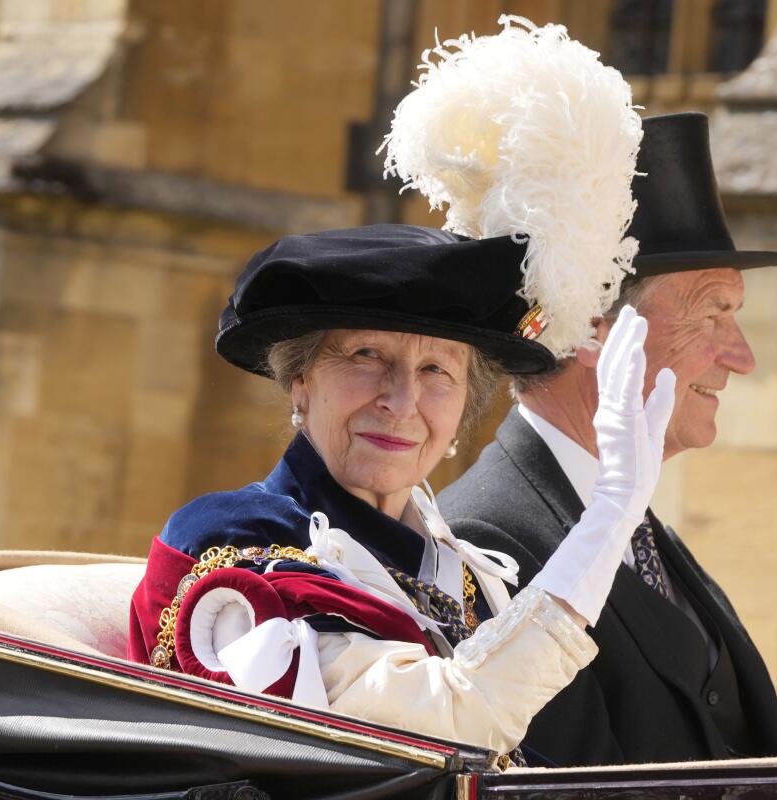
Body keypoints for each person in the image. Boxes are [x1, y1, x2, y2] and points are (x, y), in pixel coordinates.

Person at [129, 18, 665, 763]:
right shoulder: (235, 546)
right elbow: (446, 724)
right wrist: (604, 523)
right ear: (300, 377)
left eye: (436, 370)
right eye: (367, 356)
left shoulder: (465, 570)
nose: (400, 399)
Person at [439, 112, 777, 766]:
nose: (741, 357)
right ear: (594, 330)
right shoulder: (486, 541)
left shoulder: (643, 531)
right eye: (712, 313)